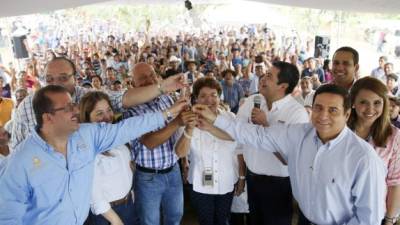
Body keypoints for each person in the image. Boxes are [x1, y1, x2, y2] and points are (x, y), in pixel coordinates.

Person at [193, 84, 387, 225]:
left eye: (333, 110)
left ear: (346, 115)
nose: (323, 115)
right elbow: (257, 135)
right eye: (318, 108)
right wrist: (215, 119)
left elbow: (369, 218)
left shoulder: (364, 159)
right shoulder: (299, 134)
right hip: (304, 219)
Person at [0, 85, 187, 225]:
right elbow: (8, 217)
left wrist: (169, 112)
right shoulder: (19, 163)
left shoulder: (86, 135)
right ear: (47, 118)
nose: (74, 110)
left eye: (73, 104)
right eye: (66, 108)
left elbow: (127, 128)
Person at [10, 57, 186, 149]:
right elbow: (17, 148)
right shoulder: (27, 105)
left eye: (63, 78)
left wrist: (162, 87)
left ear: (75, 77)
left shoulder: (89, 97)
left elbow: (122, 99)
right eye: (49, 78)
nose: (55, 83)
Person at [236, 62, 309, 225]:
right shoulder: (252, 101)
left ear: (283, 86)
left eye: (269, 76)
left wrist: (266, 125)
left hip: (278, 186)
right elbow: (237, 135)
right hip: (252, 179)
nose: (263, 78)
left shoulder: (297, 113)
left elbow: (290, 159)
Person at [122, 63, 186, 225]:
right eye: (142, 78)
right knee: (150, 221)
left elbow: (179, 133)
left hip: (173, 171)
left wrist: (184, 162)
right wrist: (177, 121)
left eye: (152, 75)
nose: (149, 80)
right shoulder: (131, 110)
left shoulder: (167, 98)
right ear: (133, 84)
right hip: (148, 178)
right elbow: (149, 142)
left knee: (175, 217)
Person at [175, 77, 240, 225]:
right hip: (200, 183)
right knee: (205, 221)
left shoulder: (230, 118)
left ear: (219, 97)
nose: (209, 100)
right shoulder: (188, 120)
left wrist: (210, 127)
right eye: (203, 96)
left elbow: (236, 139)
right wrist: (189, 129)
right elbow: (180, 153)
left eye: (213, 95)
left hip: (226, 181)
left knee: (223, 221)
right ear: (196, 99)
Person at [79, 91, 138, 225]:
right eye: (99, 113)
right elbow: (95, 197)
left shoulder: (116, 135)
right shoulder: (87, 149)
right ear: (87, 118)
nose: (107, 117)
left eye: (109, 110)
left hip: (128, 205)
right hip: (108, 215)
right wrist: (116, 221)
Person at [347, 77, 400, 225]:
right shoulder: (340, 130)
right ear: (353, 103)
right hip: (338, 211)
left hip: (373, 215)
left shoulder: (394, 136)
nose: (370, 109)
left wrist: (389, 220)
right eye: (363, 102)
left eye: (377, 103)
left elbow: (395, 182)